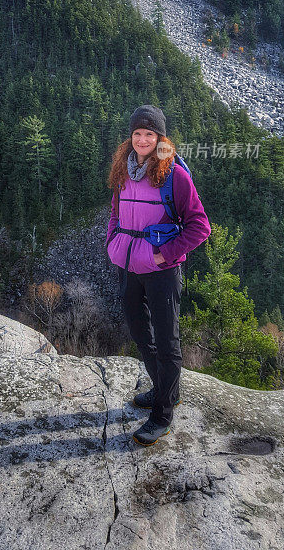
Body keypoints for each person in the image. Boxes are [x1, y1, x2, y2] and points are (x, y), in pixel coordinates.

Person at [105, 105, 211, 447]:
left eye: (149, 134)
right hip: (129, 266)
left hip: (162, 270)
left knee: (167, 341)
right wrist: (113, 241)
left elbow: (200, 226)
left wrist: (165, 253)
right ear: (130, 137)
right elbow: (116, 211)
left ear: (160, 138)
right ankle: (166, 389)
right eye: (137, 133)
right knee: (140, 332)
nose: (142, 139)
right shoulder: (124, 169)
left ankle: (163, 414)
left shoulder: (174, 176)